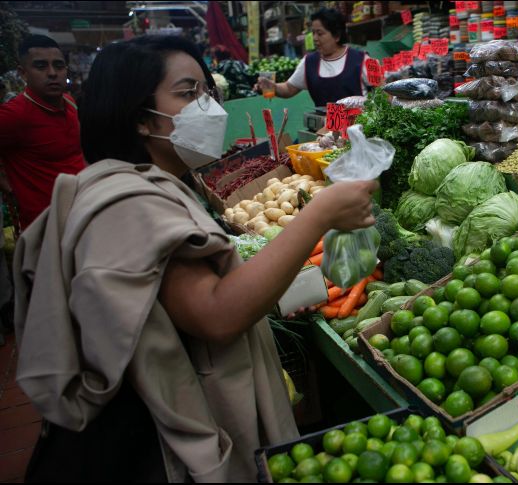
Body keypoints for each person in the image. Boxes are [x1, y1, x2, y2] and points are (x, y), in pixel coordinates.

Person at [14, 35, 377, 482]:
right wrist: (319, 214)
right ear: (140, 118)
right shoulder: (133, 204)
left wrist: (277, 291)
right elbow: (215, 316)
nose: (208, 107)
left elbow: (181, 302)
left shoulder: (154, 184)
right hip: (154, 449)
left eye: (207, 91)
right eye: (188, 93)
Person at [0, 35, 86, 231]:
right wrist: (7, 184)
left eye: (59, 66)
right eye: (41, 66)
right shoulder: (15, 114)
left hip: (82, 217)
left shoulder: (70, 102)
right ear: (23, 73)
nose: (52, 73)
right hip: (45, 230)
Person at [255, 8, 373, 106]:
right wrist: (272, 87)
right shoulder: (309, 62)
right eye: (313, 33)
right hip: (324, 126)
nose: (315, 38)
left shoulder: (361, 60)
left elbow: (380, 91)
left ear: (337, 35)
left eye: (320, 33)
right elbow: (289, 88)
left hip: (359, 125)